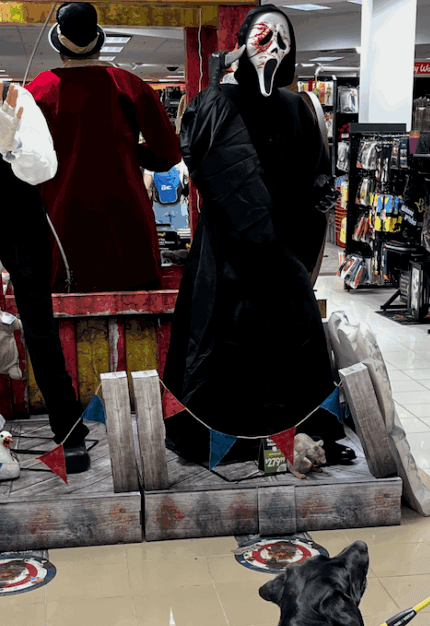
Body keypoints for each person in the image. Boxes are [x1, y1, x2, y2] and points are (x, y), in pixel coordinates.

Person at [162, 4, 351, 465]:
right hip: (228, 254)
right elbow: (220, 178)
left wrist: (311, 216)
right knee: (223, 342)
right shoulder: (215, 104)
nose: (272, 50)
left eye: (282, 41)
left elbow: (314, 178)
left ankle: (292, 434)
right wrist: (267, 244)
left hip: (282, 252)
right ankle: (230, 437)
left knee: (286, 347)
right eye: (263, 38)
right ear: (243, 42)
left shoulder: (296, 107)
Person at [27, 2, 181, 293]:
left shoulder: (39, 89)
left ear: (60, 48)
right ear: (98, 44)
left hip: (62, 224)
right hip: (126, 224)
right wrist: (130, 153)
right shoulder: (129, 85)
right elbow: (168, 154)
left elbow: (22, 165)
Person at [0, 80, 89, 471]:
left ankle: (68, 431)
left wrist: (10, 144)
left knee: (39, 328)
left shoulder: (13, 96)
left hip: (19, 218)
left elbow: (45, 167)